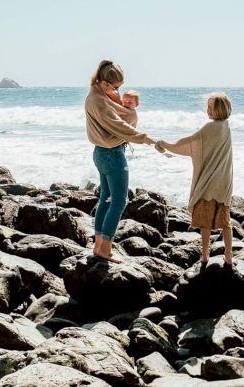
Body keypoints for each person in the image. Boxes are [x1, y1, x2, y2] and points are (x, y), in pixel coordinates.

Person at [85, 60, 155, 262]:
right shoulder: (99, 101)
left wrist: (114, 95)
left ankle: (98, 246)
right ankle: (105, 248)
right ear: (105, 82)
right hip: (112, 154)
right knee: (118, 201)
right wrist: (146, 138)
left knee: (105, 198)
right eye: (116, 87)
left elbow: (117, 116)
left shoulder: (95, 93)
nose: (118, 91)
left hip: (100, 152)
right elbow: (120, 127)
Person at [156, 93, 234, 267]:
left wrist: (167, 144)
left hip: (209, 183)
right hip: (224, 181)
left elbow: (190, 142)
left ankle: (205, 255)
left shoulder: (209, 127)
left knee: (205, 222)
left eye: (210, 108)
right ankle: (229, 256)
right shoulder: (226, 127)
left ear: (218, 110)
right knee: (226, 222)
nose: (208, 110)